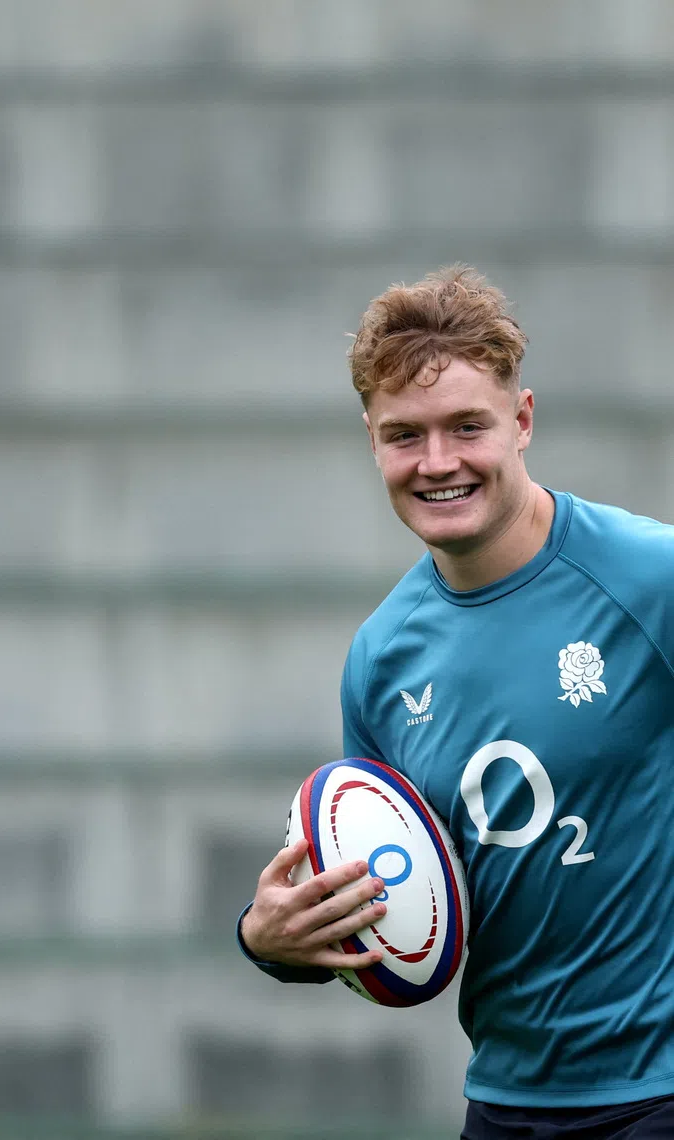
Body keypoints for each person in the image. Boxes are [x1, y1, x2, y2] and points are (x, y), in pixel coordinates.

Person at [237, 266, 674, 1139]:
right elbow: (385, 896)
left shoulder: (650, 578)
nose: (438, 463)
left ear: (521, 422)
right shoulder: (380, 659)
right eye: (405, 435)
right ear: (372, 442)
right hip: (506, 1102)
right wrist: (269, 941)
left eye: (466, 426)